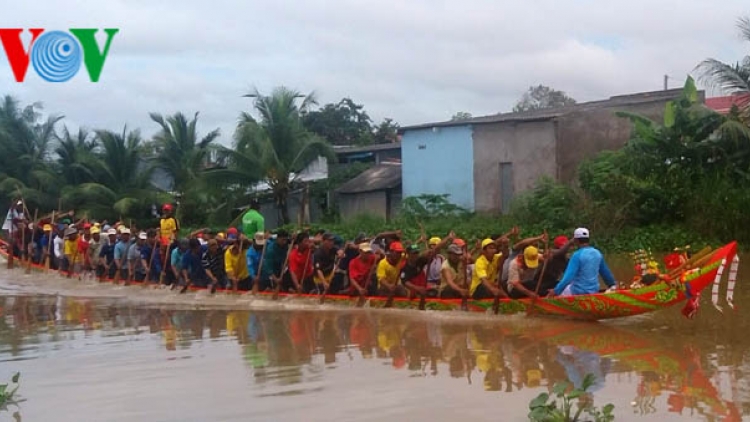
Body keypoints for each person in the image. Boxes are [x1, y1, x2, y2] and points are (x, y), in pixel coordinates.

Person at [552, 228, 617, 296]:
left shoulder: (576, 255)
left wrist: (555, 291)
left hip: (577, 291)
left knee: (564, 288)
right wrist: (612, 285)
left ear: (576, 240)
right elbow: (606, 274)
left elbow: (568, 278)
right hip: (594, 290)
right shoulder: (597, 253)